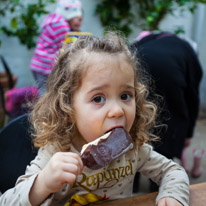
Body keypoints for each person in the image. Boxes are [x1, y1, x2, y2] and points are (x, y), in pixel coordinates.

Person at [0, 33, 189, 206]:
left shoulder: (133, 151)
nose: (117, 110)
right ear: (68, 107)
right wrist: (43, 183)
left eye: (125, 96)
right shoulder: (56, 151)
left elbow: (173, 171)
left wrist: (172, 195)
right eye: (98, 98)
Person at [131, 31, 202, 191]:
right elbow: (192, 99)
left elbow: (127, 52)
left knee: (134, 129)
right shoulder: (188, 52)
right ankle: (157, 188)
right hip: (170, 78)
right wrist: (187, 134)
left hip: (136, 67)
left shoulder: (153, 37)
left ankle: (131, 184)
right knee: (167, 129)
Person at [30, 0, 83, 95]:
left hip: (39, 64)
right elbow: (68, 48)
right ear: (70, 15)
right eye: (77, 18)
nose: (79, 21)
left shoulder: (54, 20)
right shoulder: (61, 26)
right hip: (44, 66)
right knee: (45, 96)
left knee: (45, 94)